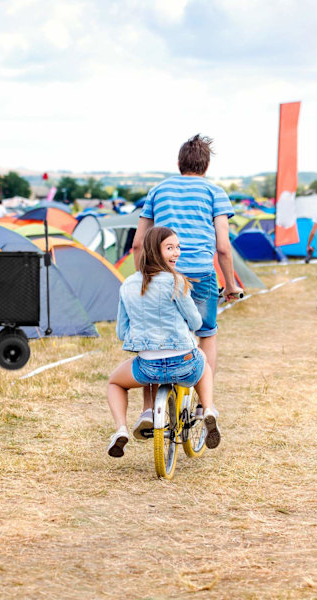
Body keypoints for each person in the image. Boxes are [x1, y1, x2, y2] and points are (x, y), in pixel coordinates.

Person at [132, 134, 242, 380]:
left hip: (163, 274)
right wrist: (231, 286)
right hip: (201, 274)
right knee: (207, 334)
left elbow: (138, 243)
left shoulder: (158, 191)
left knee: (160, 334)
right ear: (206, 165)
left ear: (179, 163)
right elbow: (223, 247)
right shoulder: (215, 193)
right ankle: (205, 403)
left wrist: (143, 277)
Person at [107, 226, 219, 457]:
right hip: (185, 361)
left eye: (178, 247)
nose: (176, 253)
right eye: (170, 248)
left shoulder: (127, 285)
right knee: (204, 364)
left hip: (148, 368)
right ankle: (207, 409)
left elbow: (121, 331)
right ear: (155, 251)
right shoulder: (176, 281)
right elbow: (196, 322)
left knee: (115, 383)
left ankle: (121, 429)